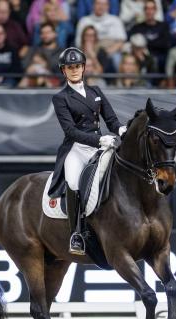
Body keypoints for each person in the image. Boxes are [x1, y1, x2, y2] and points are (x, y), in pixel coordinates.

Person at [49, 47, 126, 255]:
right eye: (69, 67)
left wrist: (121, 130)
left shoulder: (96, 92)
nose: (74, 70)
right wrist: (99, 139)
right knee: (74, 181)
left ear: (83, 67)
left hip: (101, 146)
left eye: (77, 66)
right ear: (63, 71)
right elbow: (70, 131)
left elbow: (111, 119)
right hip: (77, 148)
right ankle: (77, 233)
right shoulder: (61, 98)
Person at [129, 0, 171, 72]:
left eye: (152, 9)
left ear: (156, 10)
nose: (149, 11)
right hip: (140, 56)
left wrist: (145, 44)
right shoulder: (137, 27)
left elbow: (165, 44)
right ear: (144, 10)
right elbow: (132, 42)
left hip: (159, 57)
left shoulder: (164, 26)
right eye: (147, 9)